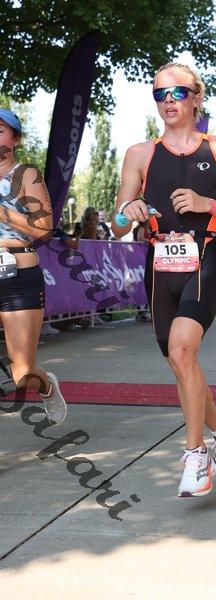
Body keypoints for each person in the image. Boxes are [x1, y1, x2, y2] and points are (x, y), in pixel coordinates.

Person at [111, 62, 216, 497]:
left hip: (204, 262)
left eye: (177, 92)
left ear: (196, 97)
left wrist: (206, 203)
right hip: (159, 269)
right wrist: (129, 212)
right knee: (180, 362)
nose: (168, 101)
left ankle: (196, 456)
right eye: (160, 94)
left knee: (181, 349)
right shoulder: (139, 153)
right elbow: (117, 225)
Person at [0, 108, 66, 424]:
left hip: (18, 273)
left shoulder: (25, 175)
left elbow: (44, 229)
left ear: (15, 139)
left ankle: (47, 386)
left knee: (22, 374)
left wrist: (4, 214)